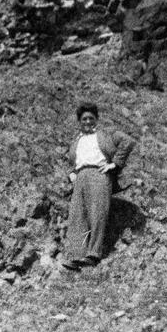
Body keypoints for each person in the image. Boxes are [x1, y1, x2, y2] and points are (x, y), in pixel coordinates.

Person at [61, 101, 136, 270]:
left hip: (99, 175)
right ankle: (75, 255)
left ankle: (93, 254)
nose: (88, 122)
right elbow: (74, 161)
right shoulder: (76, 141)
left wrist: (115, 164)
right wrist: (72, 173)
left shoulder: (105, 134)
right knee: (77, 216)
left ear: (96, 119)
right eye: (84, 119)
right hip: (80, 178)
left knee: (97, 213)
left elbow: (128, 142)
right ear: (79, 121)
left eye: (91, 118)